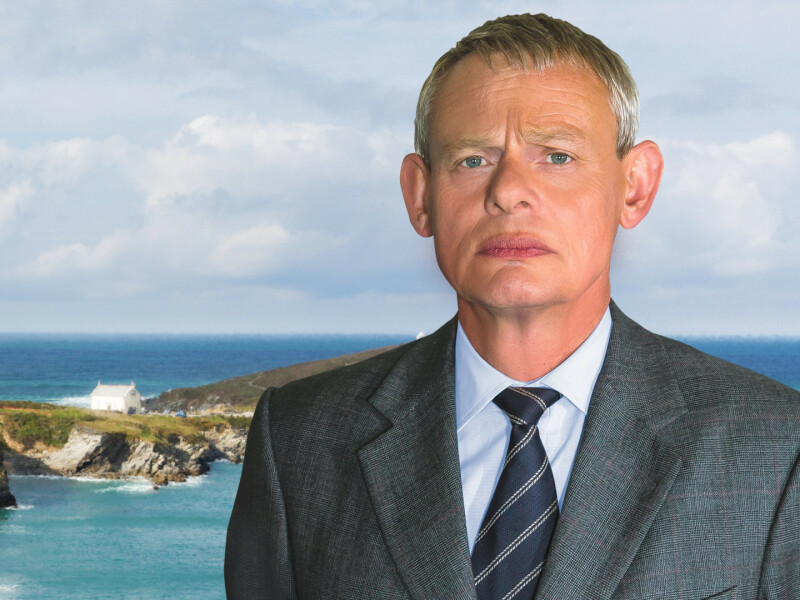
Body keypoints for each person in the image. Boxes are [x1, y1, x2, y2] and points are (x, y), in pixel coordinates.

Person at [225, 13, 800, 600]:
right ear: (420, 196)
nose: (507, 191)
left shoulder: (777, 448)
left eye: (557, 156)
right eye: (473, 160)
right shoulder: (299, 441)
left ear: (635, 186)